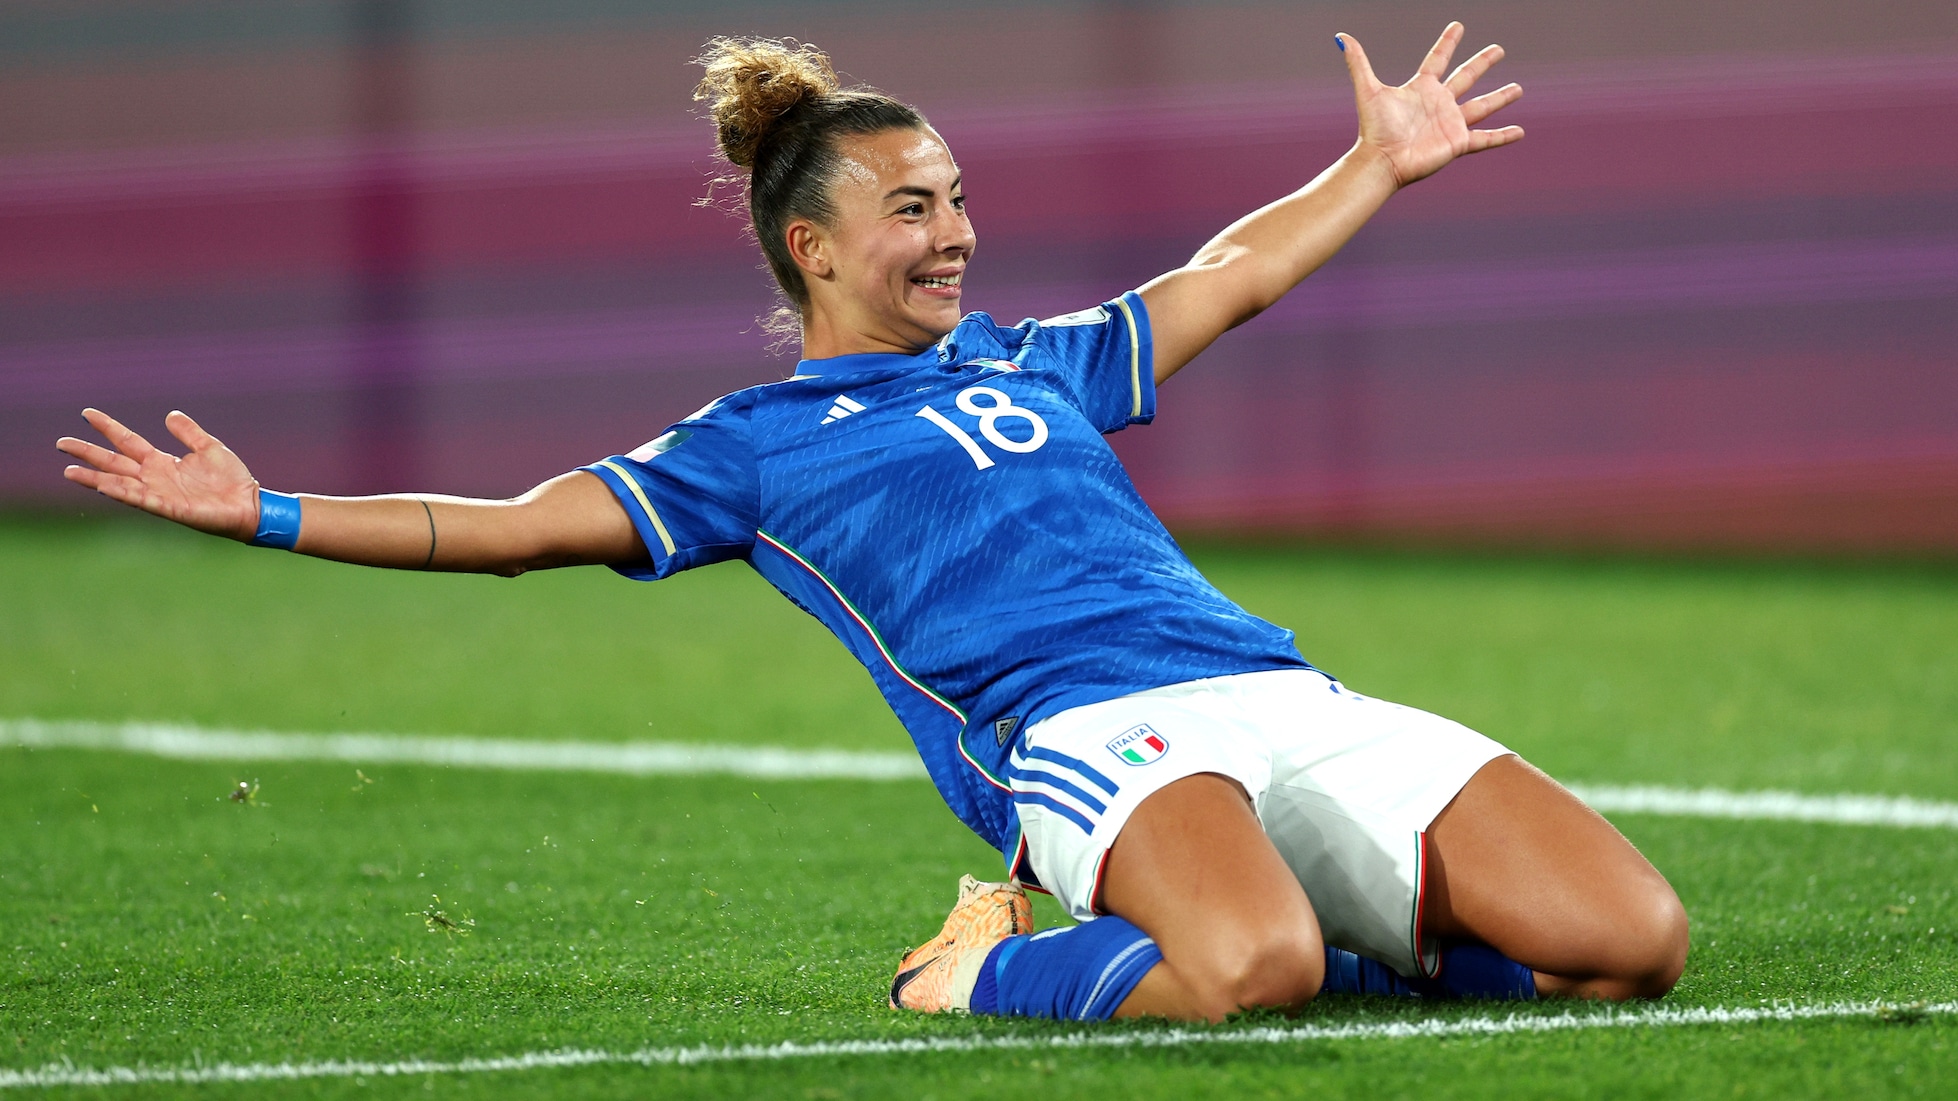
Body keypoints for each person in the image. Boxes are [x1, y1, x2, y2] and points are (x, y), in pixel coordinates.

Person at [57, 23, 1687, 1023]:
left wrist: (1374, 165)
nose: (955, 232)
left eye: (958, 196)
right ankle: (973, 968)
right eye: (911, 208)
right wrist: (260, 508)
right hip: (1086, 735)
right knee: (1239, 972)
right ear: (814, 253)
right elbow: (506, 525)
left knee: (1628, 945)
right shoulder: (748, 450)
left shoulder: (1030, 363)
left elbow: (1231, 272)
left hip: (1274, 692)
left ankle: (1334, 948)